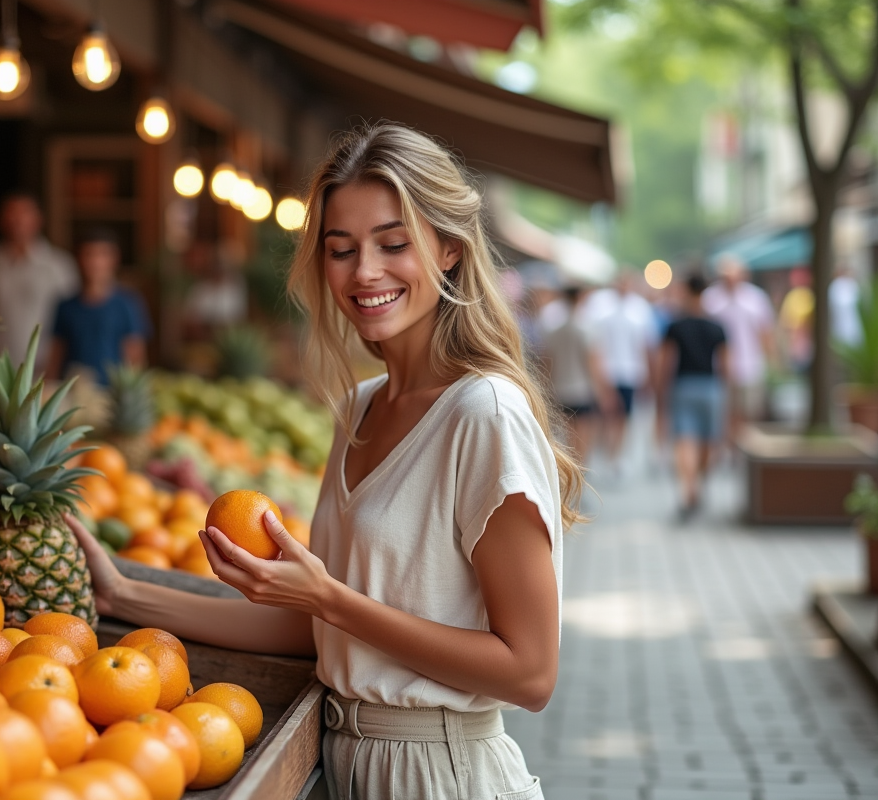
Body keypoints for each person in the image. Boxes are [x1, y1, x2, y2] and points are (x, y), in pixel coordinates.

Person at [63, 123, 577, 800]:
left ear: (448, 250)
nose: (365, 271)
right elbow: (326, 629)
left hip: (439, 774)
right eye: (342, 249)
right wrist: (124, 594)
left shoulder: (483, 415)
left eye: (394, 244)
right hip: (345, 765)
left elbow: (530, 674)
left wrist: (329, 597)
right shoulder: (359, 408)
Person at [0, 192, 79, 372]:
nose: (17, 220)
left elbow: (73, 320)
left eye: (24, 213)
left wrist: (55, 366)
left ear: (39, 219)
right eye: (11, 214)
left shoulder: (59, 265)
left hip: (47, 368)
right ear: (0, 220)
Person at [660, 274, 729, 519]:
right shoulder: (717, 326)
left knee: (685, 439)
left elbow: (666, 363)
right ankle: (698, 483)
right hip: (711, 387)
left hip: (683, 386)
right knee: (708, 441)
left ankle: (688, 488)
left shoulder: (675, 325)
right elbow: (725, 365)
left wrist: (660, 393)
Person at [48, 227, 150, 384]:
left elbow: (135, 356)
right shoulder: (66, 306)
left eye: (102, 255)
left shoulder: (128, 303)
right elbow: (56, 354)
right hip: (73, 389)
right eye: (89, 254)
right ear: (78, 258)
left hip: (112, 393)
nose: (95, 262)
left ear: (114, 259)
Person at [583, 271, 659, 471]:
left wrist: (648, 374)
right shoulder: (600, 304)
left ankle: (615, 455)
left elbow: (646, 344)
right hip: (606, 370)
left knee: (623, 415)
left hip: (630, 371)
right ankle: (605, 451)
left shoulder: (640, 308)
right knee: (605, 413)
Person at [701, 253, 775, 439]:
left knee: (749, 410)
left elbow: (765, 332)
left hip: (751, 364)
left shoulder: (756, 298)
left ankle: (742, 443)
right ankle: (729, 444)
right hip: (718, 367)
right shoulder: (710, 299)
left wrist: (771, 361)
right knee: (725, 411)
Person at [539, 286, 612, 467]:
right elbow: (592, 364)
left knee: (565, 438)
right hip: (582, 390)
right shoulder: (586, 329)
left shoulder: (554, 331)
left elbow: (547, 363)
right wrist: (603, 392)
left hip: (559, 389)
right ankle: (580, 473)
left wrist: (546, 388)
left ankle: (568, 472)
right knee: (583, 437)